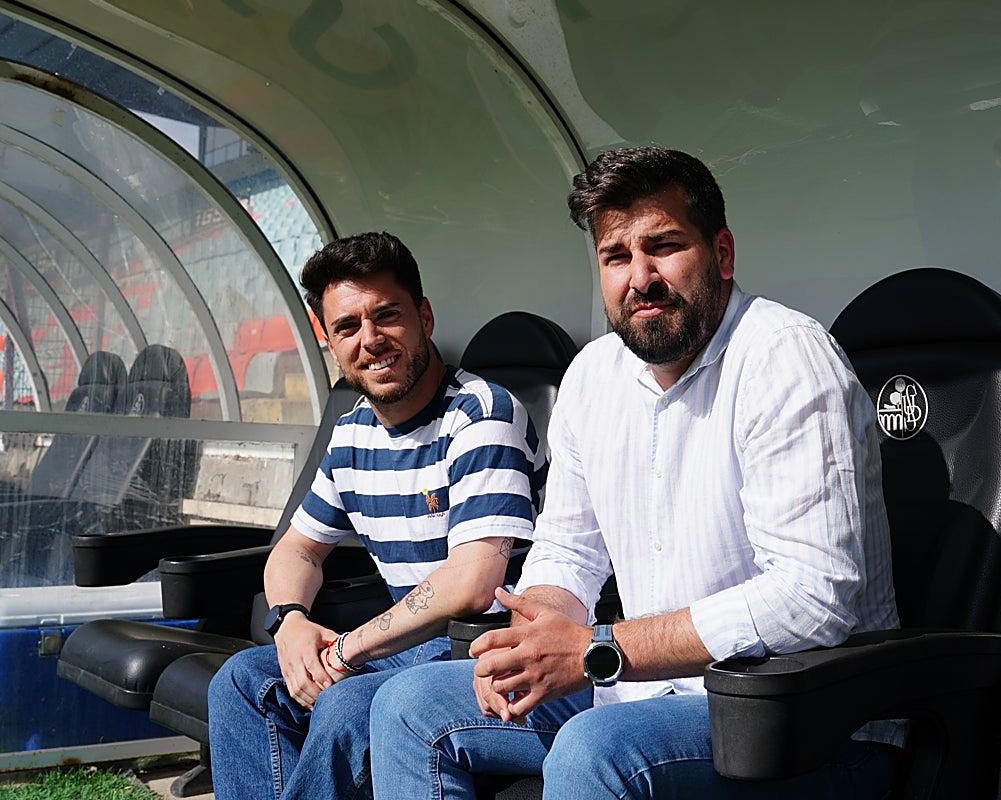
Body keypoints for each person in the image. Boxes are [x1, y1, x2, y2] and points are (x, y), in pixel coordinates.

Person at [368, 147, 903, 799]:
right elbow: (567, 549)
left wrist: (598, 648)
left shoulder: (785, 358)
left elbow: (813, 598)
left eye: (665, 246)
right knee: (410, 706)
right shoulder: (594, 375)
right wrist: (531, 638)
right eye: (616, 257)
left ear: (722, 254)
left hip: (803, 720)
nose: (640, 277)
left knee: (597, 751)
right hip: (643, 689)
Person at [207, 231, 544, 800]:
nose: (371, 340)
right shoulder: (352, 431)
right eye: (347, 327)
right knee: (240, 682)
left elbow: (472, 583)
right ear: (330, 343)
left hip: (482, 649)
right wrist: (289, 621)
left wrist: (342, 651)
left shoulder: (483, 414)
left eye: (386, 315)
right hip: (406, 648)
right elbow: (296, 550)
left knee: (342, 700)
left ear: (425, 317)